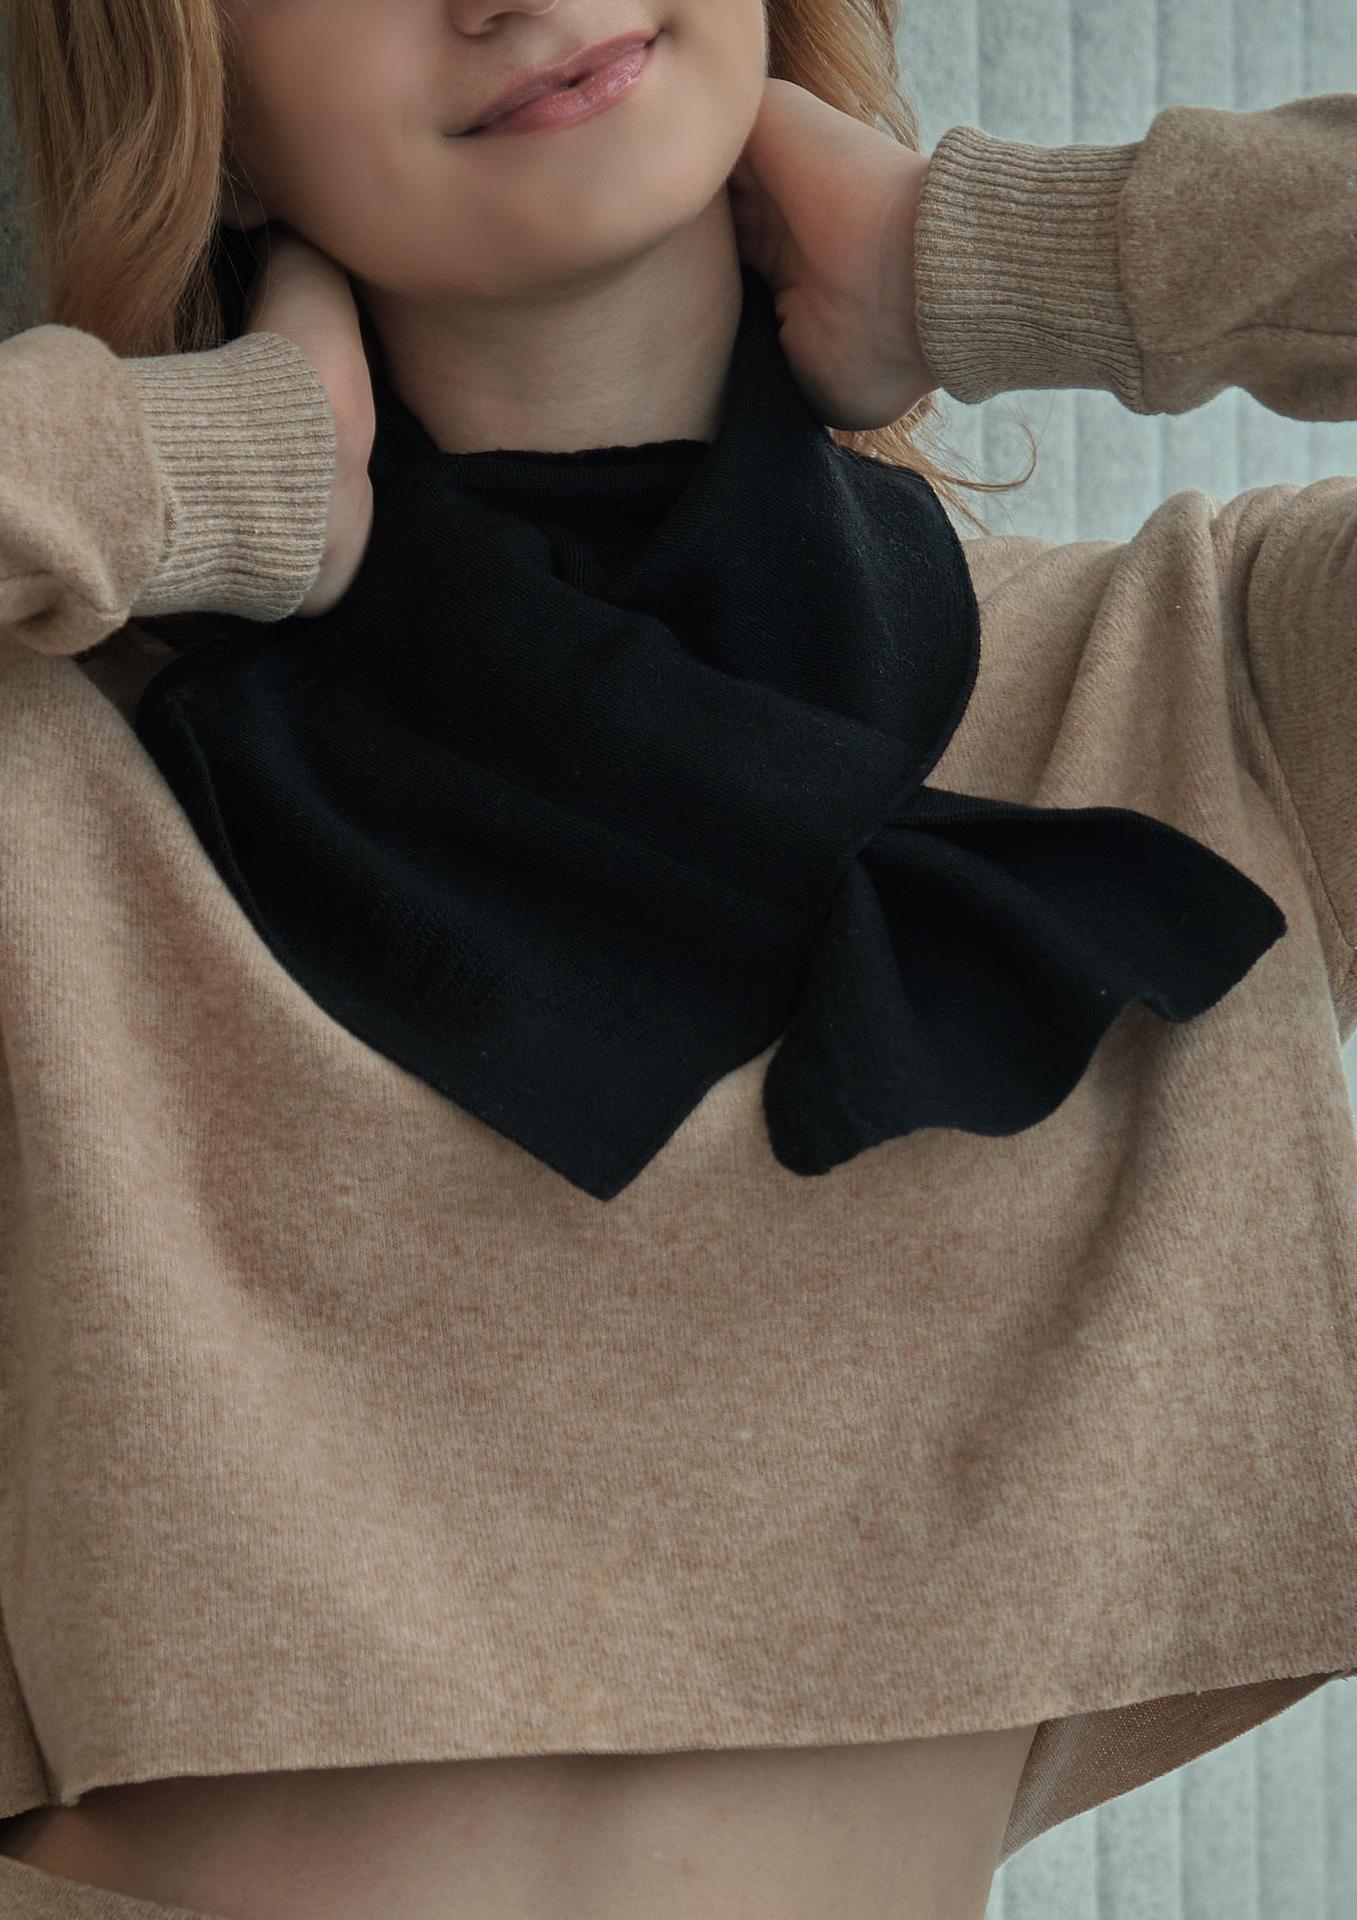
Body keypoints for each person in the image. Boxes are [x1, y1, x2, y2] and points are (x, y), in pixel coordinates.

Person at [0, 1, 1351, 1916]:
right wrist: (210, 464)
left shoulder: (1195, 681)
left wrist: (1014, 254)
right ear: (200, 110)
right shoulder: (54, 776)